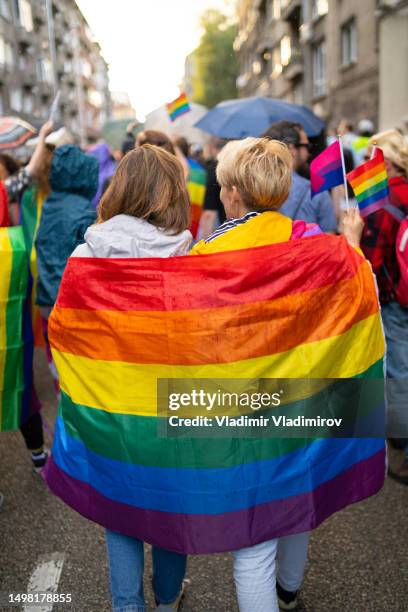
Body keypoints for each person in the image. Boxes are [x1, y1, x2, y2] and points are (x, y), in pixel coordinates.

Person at [191, 138, 366, 611]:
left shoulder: (207, 252)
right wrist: (350, 243)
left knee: (253, 538)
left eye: (222, 185)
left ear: (233, 193)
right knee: (295, 498)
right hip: (302, 395)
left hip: (238, 402)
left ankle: (281, 592)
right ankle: (289, 591)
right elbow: (352, 292)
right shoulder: (311, 240)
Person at [71, 144, 191, 612]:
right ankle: (167, 600)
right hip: (170, 402)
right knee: (170, 505)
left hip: (110, 400)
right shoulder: (189, 255)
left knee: (118, 511)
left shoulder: (87, 253)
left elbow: (69, 333)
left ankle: (127, 605)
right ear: (171, 193)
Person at [360, 129, 408, 484]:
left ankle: (404, 452)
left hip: (395, 301)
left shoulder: (382, 203)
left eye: (370, 159)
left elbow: (372, 261)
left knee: (399, 374)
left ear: (386, 163)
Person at [35, 145, 98, 391]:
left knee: (56, 366)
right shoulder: (84, 211)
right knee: (75, 376)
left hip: (45, 300)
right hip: (71, 304)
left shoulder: (50, 203)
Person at [262, 121, 337, 232]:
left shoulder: (254, 190)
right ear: (292, 149)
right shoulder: (317, 192)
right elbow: (330, 236)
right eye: (306, 146)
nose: (308, 152)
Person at [197, 137, 227, 239]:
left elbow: (209, 213)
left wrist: (206, 244)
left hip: (221, 227)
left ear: (211, 147)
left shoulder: (214, 168)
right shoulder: (234, 167)